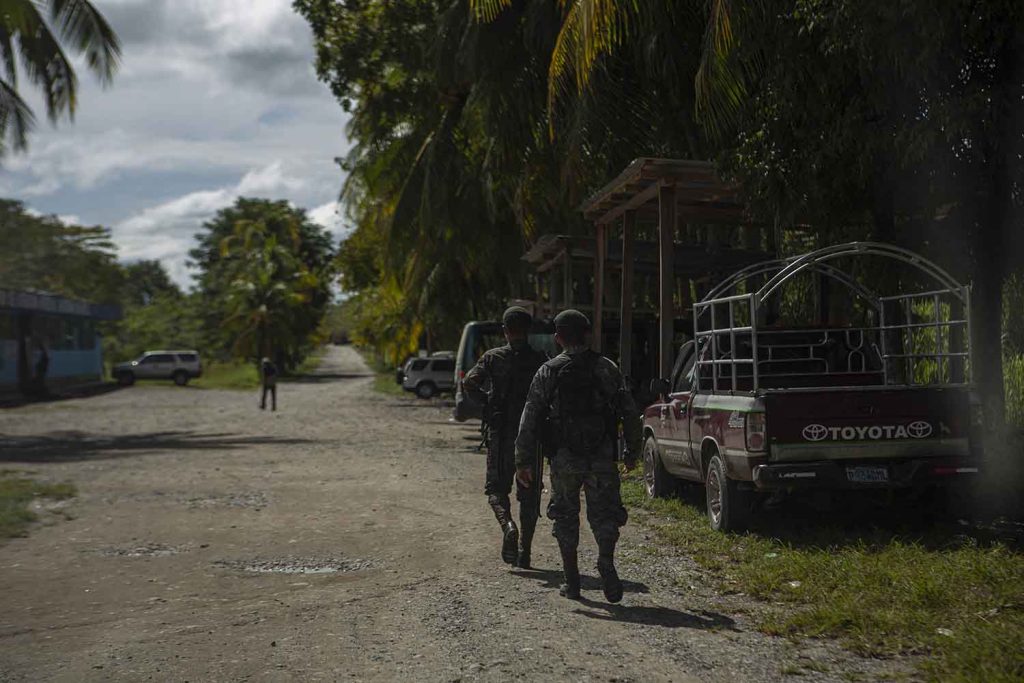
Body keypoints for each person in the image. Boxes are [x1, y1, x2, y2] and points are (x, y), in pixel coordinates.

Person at [514, 309, 642, 602]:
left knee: (565, 516)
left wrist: (522, 461)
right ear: (588, 334)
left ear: (558, 338)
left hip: (564, 458)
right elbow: (630, 412)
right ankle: (606, 561)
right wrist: (633, 451)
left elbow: (530, 416)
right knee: (606, 513)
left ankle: (572, 582)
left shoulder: (549, 371)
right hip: (601, 455)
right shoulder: (606, 367)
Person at [462, 306, 548, 568]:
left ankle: (508, 526)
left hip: (501, 435)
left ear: (505, 331)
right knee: (529, 494)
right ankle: (525, 551)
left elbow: (469, 383)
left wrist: (487, 404)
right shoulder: (541, 360)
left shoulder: (492, 357)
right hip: (532, 437)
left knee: (497, 490)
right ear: (529, 330)